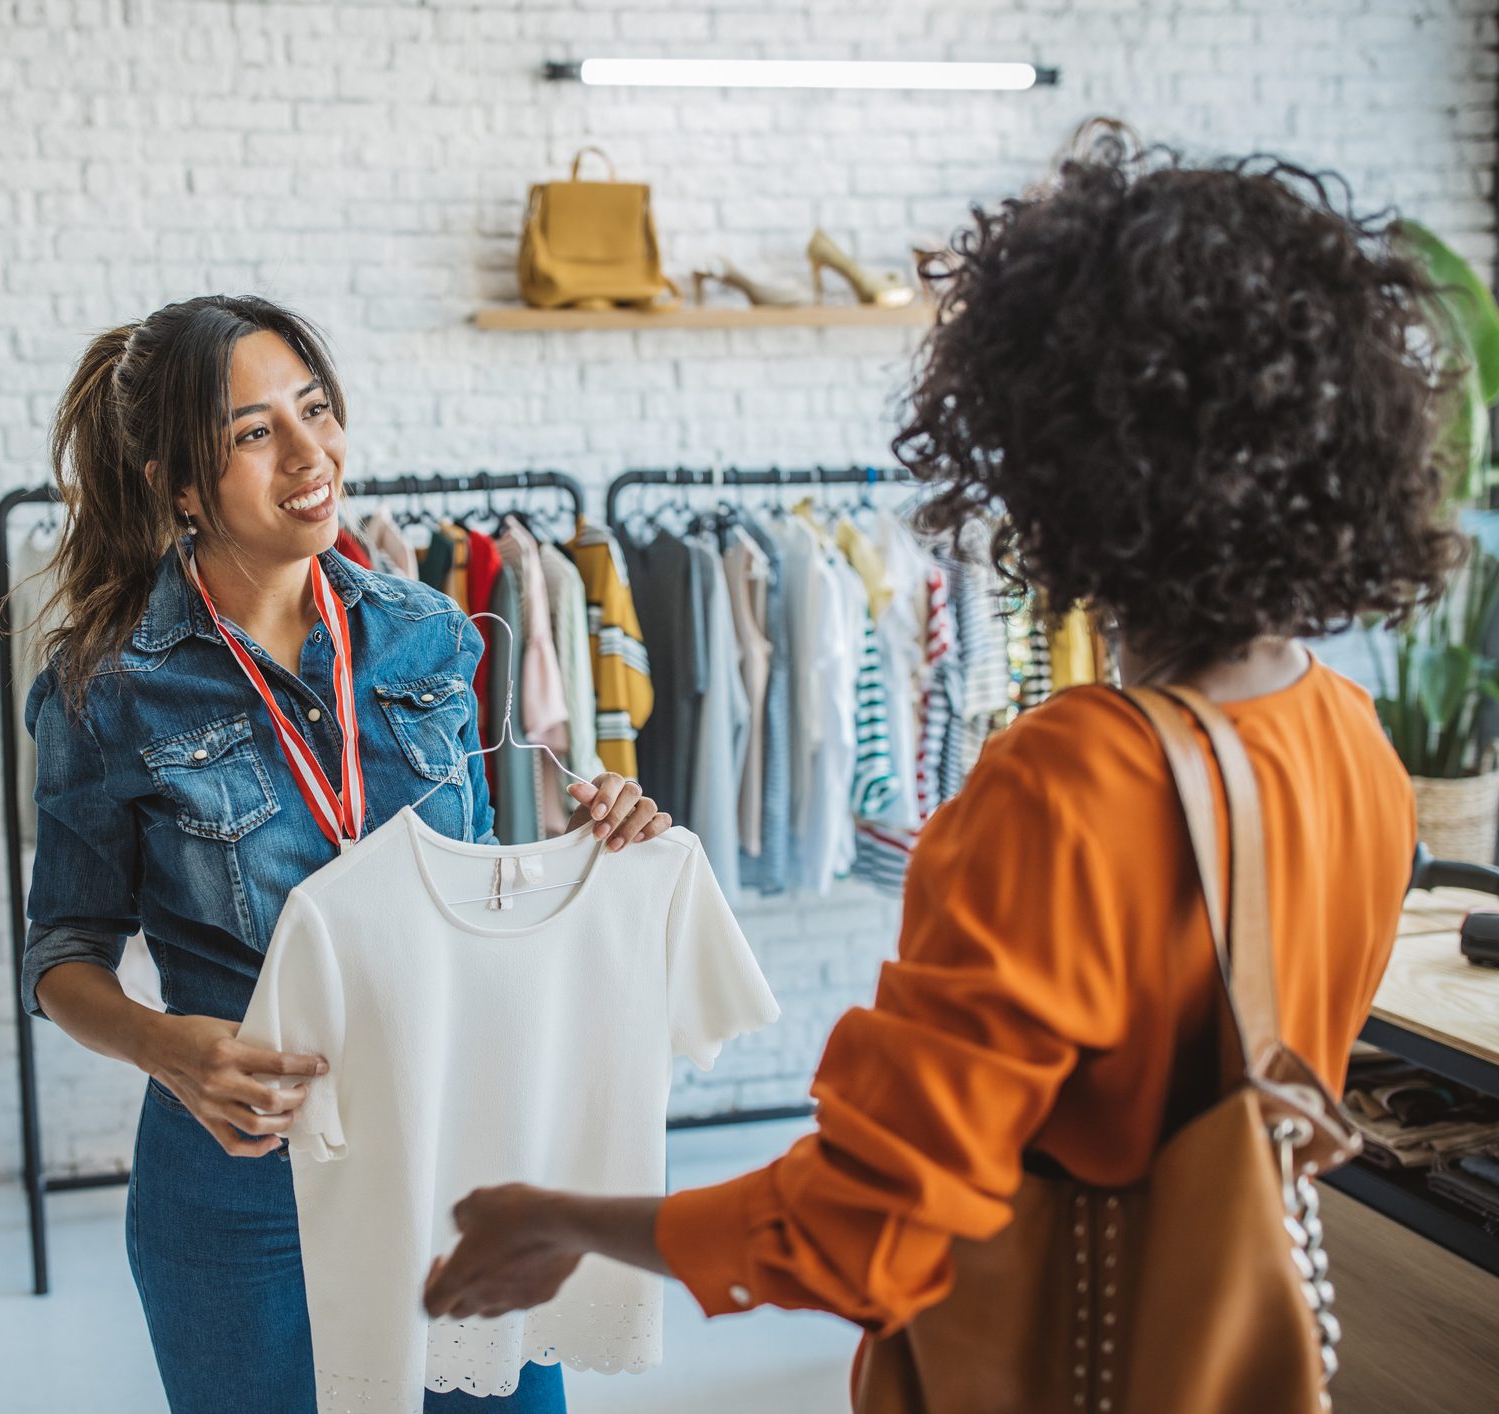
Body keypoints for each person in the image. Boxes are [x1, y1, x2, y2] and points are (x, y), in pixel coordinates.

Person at [423, 141, 1462, 1382]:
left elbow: (865, 1228)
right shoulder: (1352, 738)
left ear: (1050, 453)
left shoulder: (1071, 778)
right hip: (1224, 1343)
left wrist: (558, 1220)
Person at [21, 294, 671, 1414]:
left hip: (455, 1149)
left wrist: (591, 839)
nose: (311, 452)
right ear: (180, 483)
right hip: (245, 1184)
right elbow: (59, 953)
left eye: (314, 409)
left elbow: (470, 880)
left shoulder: (428, 631)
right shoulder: (106, 689)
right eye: (253, 432)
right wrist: (159, 1044)